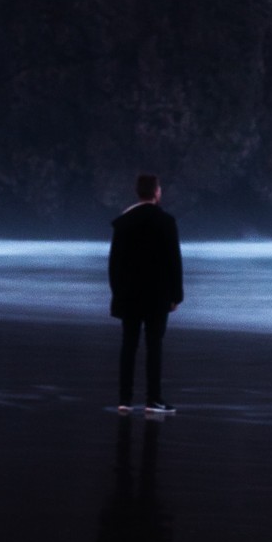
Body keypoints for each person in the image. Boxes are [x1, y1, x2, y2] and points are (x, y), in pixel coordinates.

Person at [109, 173, 183, 414]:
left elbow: (114, 263)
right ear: (156, 192)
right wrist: (176, 295)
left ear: (137, 192)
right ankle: (153, 400)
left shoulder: (124, 222)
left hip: (129, 294)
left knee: (128, 345)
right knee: (154, 346)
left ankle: (124, 400)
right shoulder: (166, 221)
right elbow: (174, 261)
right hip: (157, 295)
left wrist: (117, 292)